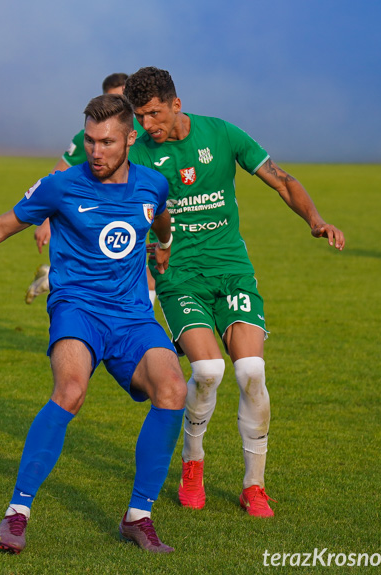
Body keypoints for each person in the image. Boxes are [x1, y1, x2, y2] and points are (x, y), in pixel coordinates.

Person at [0, 94, 187, 554]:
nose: (95, 152)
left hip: (132, 316)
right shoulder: (61, 186)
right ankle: (17, 513)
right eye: (90, 141)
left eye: (106, 142)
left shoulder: (153, 184)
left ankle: (138, 516)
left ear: (129, 140)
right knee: (70, 391)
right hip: (77, 308)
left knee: (174, 389)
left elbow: (159, 218)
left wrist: (164, 242)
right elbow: (2, 226)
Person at [122, 66, 346, 518]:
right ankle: (193, 465)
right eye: (139, 117)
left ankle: (253, 486)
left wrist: (315, 219)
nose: (147, 126)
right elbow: (131, 215)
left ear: (175, 103)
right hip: (179, 275)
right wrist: (151, 250)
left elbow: (280, 178)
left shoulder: (221, 134)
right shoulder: (141, 156)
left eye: (153, 114)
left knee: (250, 372)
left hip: (232, 270)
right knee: (206, 371)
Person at [25, 73, 156, 305]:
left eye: (124, 98)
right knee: (117, 275)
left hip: (143, 210)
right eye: (113, 98)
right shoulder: (91, 137)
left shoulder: (145, 133)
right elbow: (57, 175)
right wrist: (45, 220)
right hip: (103, 214)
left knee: (148, 274)